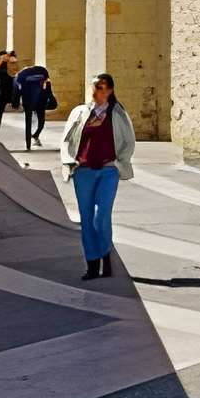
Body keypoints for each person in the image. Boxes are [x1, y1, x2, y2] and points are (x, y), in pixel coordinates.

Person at [60, 73, 136, 279]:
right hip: (83, 172)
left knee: (101, 215)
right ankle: (93, 265)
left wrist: (119, 162)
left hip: (108, 170)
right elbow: (67, 139)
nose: (96, 92)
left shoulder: (118, 114)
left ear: (110, 90)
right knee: (85, 218)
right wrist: (70, 161)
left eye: (101, 88)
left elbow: (129, 141)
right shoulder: (80, 112)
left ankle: (105, 254)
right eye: (94, 87)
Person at [16, 60, 55, 150]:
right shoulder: (42, 72)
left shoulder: (22, 75)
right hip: (40, 101)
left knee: (28, 121)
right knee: (41, 121)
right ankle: (35, 136)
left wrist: (17, 101)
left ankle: (29, 141)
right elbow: (48, 86)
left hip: (28, 101)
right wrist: (51, 97)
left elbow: (18, 89)